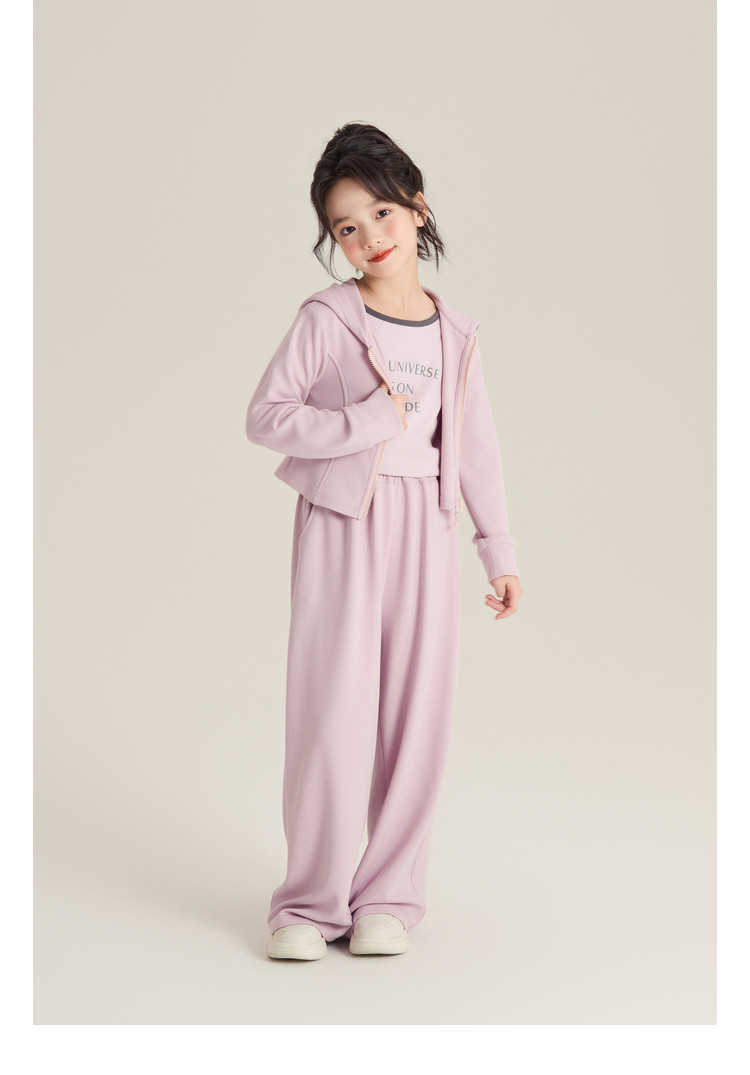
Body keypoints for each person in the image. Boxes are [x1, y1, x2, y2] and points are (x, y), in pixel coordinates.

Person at [245, 122, 523, 961]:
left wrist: (498, 550)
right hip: (342, 522)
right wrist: (364, 422)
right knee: (331, 710)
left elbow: (475, 448)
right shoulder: (326, 318)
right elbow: (266, 416)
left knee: (417, 714)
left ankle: (389, 897)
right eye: (346, 226)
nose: (368, 236)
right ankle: (308, 903)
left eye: (381, 213)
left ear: (418, 207)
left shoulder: (456, 333)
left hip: (426, 530)